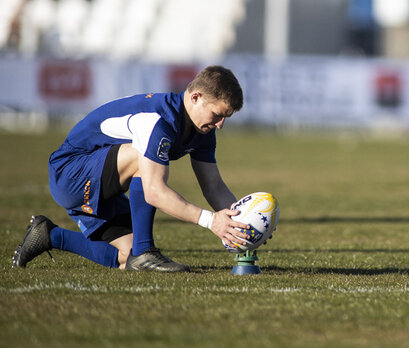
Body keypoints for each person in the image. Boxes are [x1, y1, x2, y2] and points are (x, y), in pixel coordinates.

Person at [12, 65, 251, 272]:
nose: (220, 125)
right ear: (195, 97)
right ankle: (145, 252)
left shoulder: (203, 130)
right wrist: (211, 221)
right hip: (70, 174)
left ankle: (48, 235)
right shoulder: (157, 120)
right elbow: (154, 191)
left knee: (126, 257)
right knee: (142, 157)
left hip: (103, 184)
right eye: (218, 115)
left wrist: (244, 225)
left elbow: (213, 186)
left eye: (225, 118)